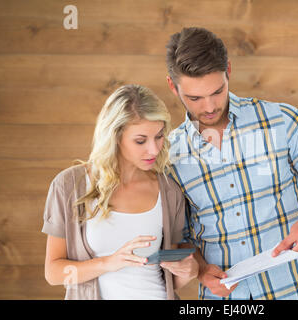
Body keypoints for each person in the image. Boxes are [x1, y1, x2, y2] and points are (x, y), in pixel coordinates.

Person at [165, 27, 298, 300]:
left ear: (228, 70)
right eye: (194, 98)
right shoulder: (169, 155)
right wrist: (202, 270)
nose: (208, 106)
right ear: (173, 86)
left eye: (217, 92)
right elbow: (181, 236)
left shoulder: (282, 120)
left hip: (295, 292)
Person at [42, 84, 198, 300]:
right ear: (115, 136)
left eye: (159, 136)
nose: (154, 149)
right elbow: (53, 273)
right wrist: (108, 262)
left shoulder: (169, 190)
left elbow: (169, 280)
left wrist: (188, 272)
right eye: (140, 141)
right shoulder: (70, 185)